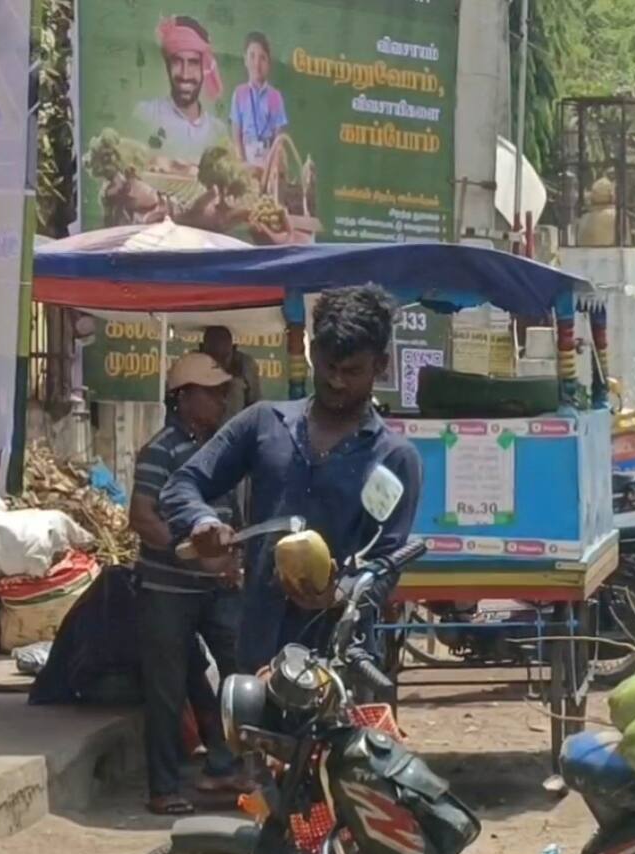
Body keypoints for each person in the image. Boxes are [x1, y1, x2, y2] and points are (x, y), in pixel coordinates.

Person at [161, 285, 425, 674]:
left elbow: (385, 563)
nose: (337, 382)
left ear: (380, 365)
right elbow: (183, 484)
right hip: (259, 654)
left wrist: (339, 593)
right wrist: (202, 521)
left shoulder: (394, 459)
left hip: (341, 664)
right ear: (313, 352)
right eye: (329, 366)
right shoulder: (264, 424)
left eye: (352, 371)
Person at [131, 354, 247, 816]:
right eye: (212, 393)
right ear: (183, 397)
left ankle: (225, 765)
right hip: (168, 590)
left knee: (239, 673)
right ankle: (163, 788)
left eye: (223, 392)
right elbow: (143, 517)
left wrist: (230, 560)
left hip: (215, 587)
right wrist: (192, 554)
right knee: (166, 688)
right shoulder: (161, 450)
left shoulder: (219, 449)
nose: (221, 400)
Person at [135, 16, 229, 165]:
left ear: (203, 68)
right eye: (177, 62)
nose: (185, 75)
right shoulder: (146, 114)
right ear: (167, 66)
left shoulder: (218, 132)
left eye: (193, 62)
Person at [231, 32, 289, 167]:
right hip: (246, 154)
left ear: (268, 63)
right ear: (245, 60)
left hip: (268, 156)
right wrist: (242, 163)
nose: (257, 63)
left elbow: (278, 137)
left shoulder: (275, 96)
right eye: (252, 56)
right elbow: (236, 134)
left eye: (262, 58)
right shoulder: (239, 93)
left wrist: (273, 165)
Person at [200, 326, 262, 416]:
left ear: (233, 348)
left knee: (235, 385)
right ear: (202, 349)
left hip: (237, 420)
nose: (218, 361)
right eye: (213, 355)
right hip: (202, 419)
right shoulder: (193, 361)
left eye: (224, 356)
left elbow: (255, 404)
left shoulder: (245, 364)